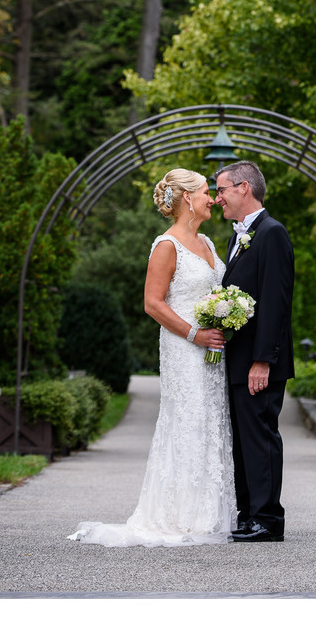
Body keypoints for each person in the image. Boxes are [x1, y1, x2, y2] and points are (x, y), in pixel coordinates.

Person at [68, 168, 236, 547]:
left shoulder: (208, 242)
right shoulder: (166, 245)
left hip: (213, 349)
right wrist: (195, 333)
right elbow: (152, 303)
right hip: (185, 348)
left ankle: (212, 513)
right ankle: (181, 516)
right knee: (188, 421)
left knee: (212, 420)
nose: (212, 199)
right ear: (187, 199)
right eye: (207, 193)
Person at [214, 160, 295, 543]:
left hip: (259, 364)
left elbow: (276, 303)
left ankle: (268, 519)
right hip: (238, 361)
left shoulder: (272, 233)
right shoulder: (237, 238)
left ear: (244, 188)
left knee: (261, 438)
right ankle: (248, 515)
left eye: (222, 190)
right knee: (243, 441)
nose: (218, 199)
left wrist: (263, 359)